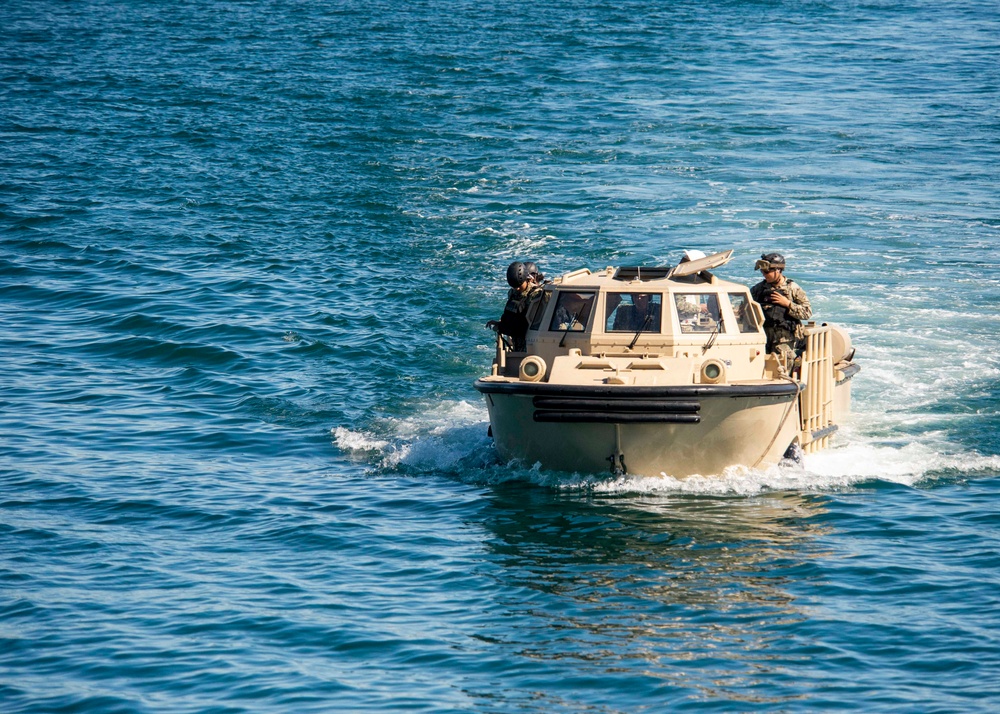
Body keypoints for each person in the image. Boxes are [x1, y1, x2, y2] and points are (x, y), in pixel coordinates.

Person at [750, 253, 812, 361]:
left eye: (767, 272)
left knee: (782, 369)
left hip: (784, 341)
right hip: (763, 339)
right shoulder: (758, 289)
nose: (764, 275)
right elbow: (746, 309)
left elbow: (807, 313)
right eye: (762, 272)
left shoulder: (792, 289)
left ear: (778, 270)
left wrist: (787, 304)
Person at [494, 260, 543, 351]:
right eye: (514, 286)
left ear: (526, 279)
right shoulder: (512, 293)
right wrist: (501, 325)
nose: (517, 288)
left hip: (531, 345)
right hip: (517, 343)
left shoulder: (536, 295)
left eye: (519, 285)